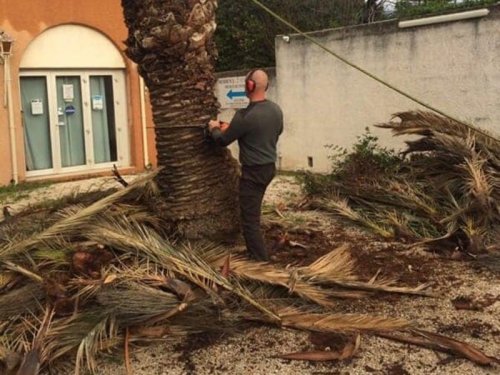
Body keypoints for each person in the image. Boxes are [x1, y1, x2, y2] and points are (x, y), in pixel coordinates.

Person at [208, 69, 283, 261]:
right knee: (253, 211)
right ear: (266, 86)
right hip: (269, 169)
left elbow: (222, 141)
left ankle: (260, 261)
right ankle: (258, 253)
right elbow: (271, 132)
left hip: (253, 173)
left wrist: (215, 128)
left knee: (250, 220)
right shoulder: (275, 110)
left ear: (249, 86)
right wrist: (233, 129)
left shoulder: (245, 116)